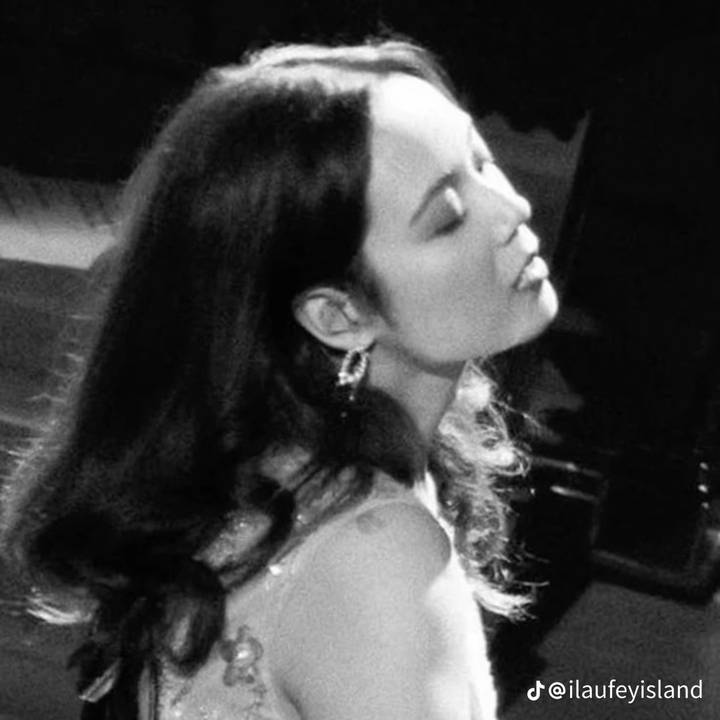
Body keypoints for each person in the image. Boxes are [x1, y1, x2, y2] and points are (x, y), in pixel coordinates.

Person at [0, 39, 558, 720]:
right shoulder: (377, 553)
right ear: (338, 316)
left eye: (482, 161)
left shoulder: (263, 467)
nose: (511, 209)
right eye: (447, 218)